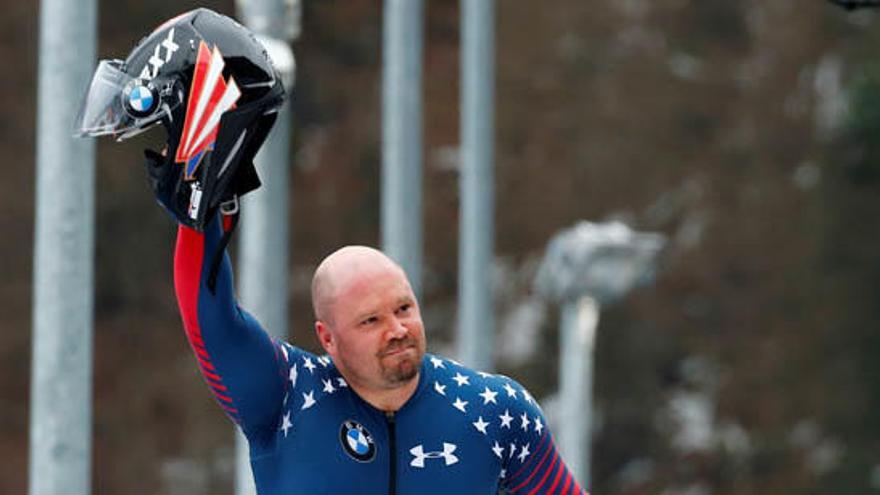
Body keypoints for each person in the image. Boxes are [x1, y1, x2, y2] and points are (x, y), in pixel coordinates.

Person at [77, 8, 589, 495]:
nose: (397, 329)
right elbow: (210, 319)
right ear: (328, 338)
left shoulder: (495, 410)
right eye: (370, 321)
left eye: (404, 308)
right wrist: (200, 210)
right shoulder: (287, 396)